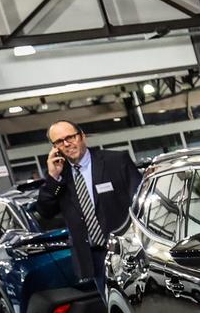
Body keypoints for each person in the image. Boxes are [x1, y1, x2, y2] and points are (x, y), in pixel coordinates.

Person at [37, 121, 143, 299]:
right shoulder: (60, 176)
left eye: (70, 137)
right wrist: (53, 177)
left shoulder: (115, 161)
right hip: (95, 259)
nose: (67, 144)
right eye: (60, 141)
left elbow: (141, 202)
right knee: (115, 311)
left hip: (128, 252)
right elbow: (45, 211)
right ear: (55, 148)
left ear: (82, 136)